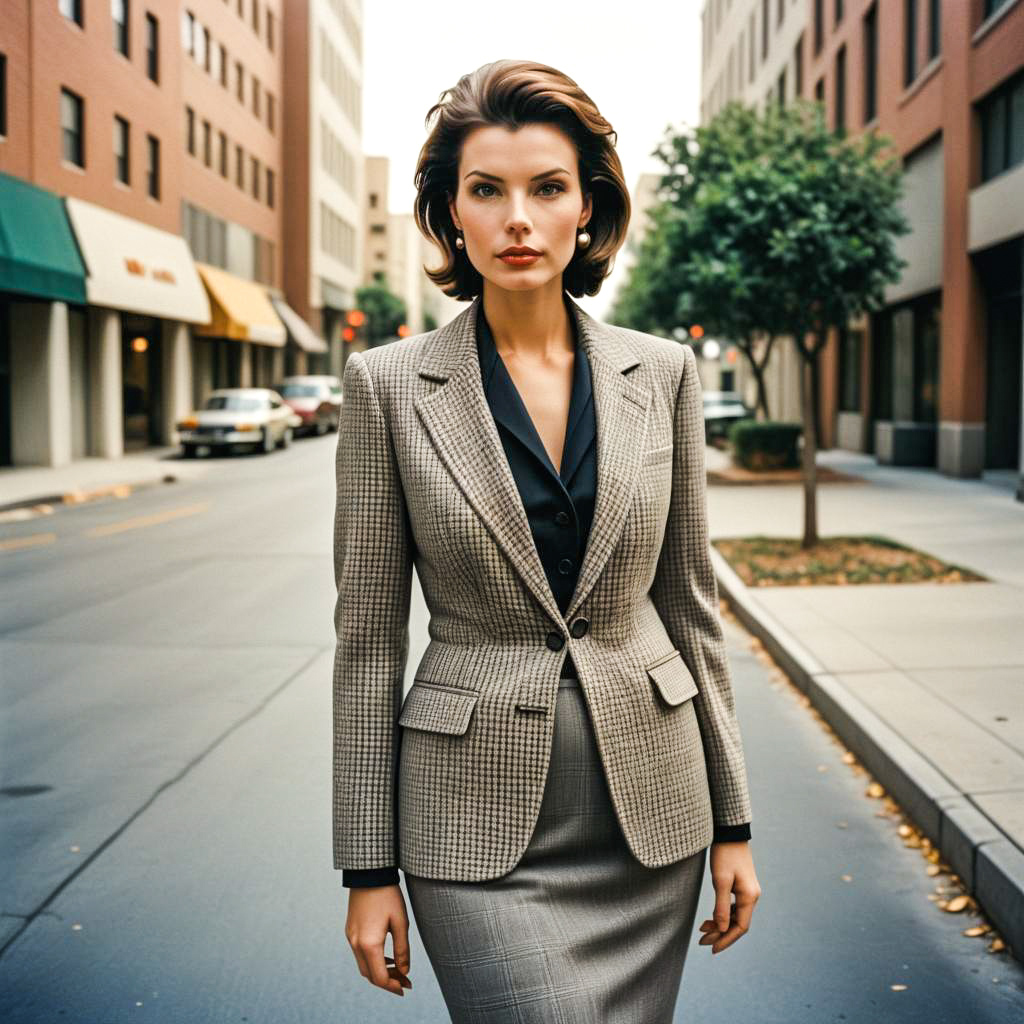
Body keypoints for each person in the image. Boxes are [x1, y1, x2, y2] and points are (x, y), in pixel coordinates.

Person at [333, 58, 761, 1022]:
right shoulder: (388, 387)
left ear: (587, 209)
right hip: (467, 826)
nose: (517, 218)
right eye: (486, 190)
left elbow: (692, 607)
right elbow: (367, 645)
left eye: (547, 188)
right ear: (450, 214)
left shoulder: (664, 375)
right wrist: (365, 866)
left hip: (653, 816)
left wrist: (735, 819)